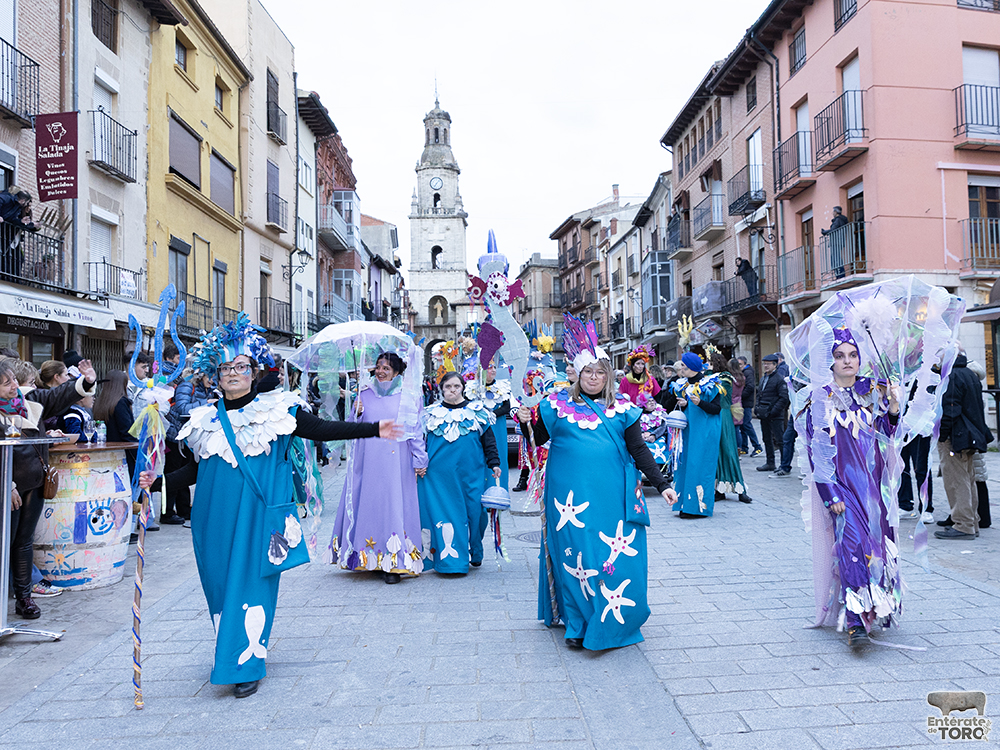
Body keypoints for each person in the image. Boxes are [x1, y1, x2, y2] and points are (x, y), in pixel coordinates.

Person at [139, 315, 402, 698]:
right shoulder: (205, 420)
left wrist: (373, 429)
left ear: (253, 371)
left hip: (258, 520)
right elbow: (196, 469)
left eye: (241, 367)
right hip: (212, 520)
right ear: (214, 376)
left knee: (250, 587)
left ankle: (244, 663)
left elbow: (322, 430)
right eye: (225, 368)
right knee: (220, 587)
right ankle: (233, 647)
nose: (233, 374)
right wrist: (158, 483)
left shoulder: (279, 412)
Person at [518, 327, 675, 650]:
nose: (593, 377)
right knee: (576, 558)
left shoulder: (624, 409)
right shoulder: (555, 405)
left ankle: (609, 618)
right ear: (577, 374)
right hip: (568, 501)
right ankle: (577, 623)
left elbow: (639, 450)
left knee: (610, 558)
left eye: (599, 372)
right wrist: (523, 421)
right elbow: (538, 439)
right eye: (588, 371)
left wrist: (662, 484)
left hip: (612, 500)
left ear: (608, 376)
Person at [800, 327, 901, 647]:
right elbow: (817, 452)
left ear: (861, 358)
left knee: (876, 549)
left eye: (853, 355)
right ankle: (855, 622)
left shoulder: (874, 391)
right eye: (840, 355)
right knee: (852, 546)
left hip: (873, 490)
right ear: (830, 361)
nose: (847, 361)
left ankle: (876, 609)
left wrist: (894, 408)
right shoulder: (820, 398)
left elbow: (887, 435)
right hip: (841, 487)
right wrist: (830, 494)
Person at [0, 357, 97, 619]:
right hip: (8, 486)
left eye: (13, 381)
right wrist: (7, 485)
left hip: (34, 481)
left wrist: (85, 381)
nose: (13, 387)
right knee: (3, 543)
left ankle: (24, 599)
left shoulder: (29, 400)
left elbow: (59, 395)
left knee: (23, 542)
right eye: (6, 383)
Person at [330, 351, 427, 584]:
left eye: (387, 368)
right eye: (379, 366)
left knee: (392, 505)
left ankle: (393, 563)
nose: (381, 371)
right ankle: (368, 557)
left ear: (396, 372)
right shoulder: (364, 393)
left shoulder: (409, 396)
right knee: (369, 504)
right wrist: (357, 411)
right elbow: (351, 426)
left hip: (396, 461)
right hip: (368, 458)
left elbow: (414, 430)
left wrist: (420, 458)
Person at [418, 371, 501, 574]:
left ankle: (475, 549)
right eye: (448, 387)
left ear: (463, 387)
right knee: (446, 513)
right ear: (442, 390)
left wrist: (495, 463)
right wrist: (418, 462)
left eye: (456, 386)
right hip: (438, 477)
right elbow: (419, 443)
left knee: (475, 513)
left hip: (471, 474)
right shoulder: (429, 414)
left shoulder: (478, 412)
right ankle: (451, 561)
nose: (452, 390)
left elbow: (488, 441)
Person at [935, 350, 992, 540]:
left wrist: (942, 435)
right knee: (968, 479)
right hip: (969, 435)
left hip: (956, 436)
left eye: (939, 358)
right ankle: (971, 522)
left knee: (956, 481)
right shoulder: (969, 373)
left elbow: (951, 409)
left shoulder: (953, 376)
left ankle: (963, 524)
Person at [670, 352, 724, 518]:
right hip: (688, 432)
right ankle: (685, 503)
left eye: (684, 366)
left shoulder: (711, 384)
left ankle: (699, 508)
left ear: (692, 368)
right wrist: (686, 404)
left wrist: (700, 403)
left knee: (700, 467)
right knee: (685, 466)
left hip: (705, 433)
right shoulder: (683, 385)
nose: (681, 369)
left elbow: (717, 409)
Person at [712, 352, 751, 504]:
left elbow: (724, 397)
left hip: (723, 414)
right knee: (718, 453)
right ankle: (720, 489)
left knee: (729, 452)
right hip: (717, 414)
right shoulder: (719, 377)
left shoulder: (725, 378)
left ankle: (740, 489)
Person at [754, 353, 788, 472]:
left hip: (775, 415)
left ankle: (784, 465)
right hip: (764, 414)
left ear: (775, 365)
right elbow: (759, 395)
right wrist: (757, 408)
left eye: (768, 364)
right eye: (764, 364)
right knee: (766, 439)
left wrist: (774, 411)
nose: (766, 366)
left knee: (780, 440)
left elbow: (784, 398)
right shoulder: (763, 379)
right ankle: (770, 462)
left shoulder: (779, 379)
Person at [0, 187, 40, 280]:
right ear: (23, 200)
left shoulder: (17, 207)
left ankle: (13, 280)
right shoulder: (7, 198)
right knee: (6, 258)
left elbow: (13, 220)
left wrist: (22, 222)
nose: (28, 206)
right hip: (5, 236)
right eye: (27, 203)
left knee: (17, 259)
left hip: (12, 240)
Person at [736, 356, 763, 456]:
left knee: (746, 424)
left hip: (746, 403)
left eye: (740, 364)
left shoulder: (748, 373)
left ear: (745, 364)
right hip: (742, 402)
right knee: (743, 425)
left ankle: (757, 446)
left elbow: (750, 387)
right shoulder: (744, 372)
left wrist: (739, 396)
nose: (739, 367)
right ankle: (744, 447)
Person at [820, 206, 850, 278]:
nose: (832, 213)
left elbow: (833, 229)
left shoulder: (838, 220)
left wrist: (825, 232)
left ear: (836, 212)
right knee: (836, 257)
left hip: (836, 241)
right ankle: (839, 274)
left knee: (836, 258)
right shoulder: (841, 220)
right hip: (838, 241)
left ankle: (840, 275)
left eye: (833, 211)